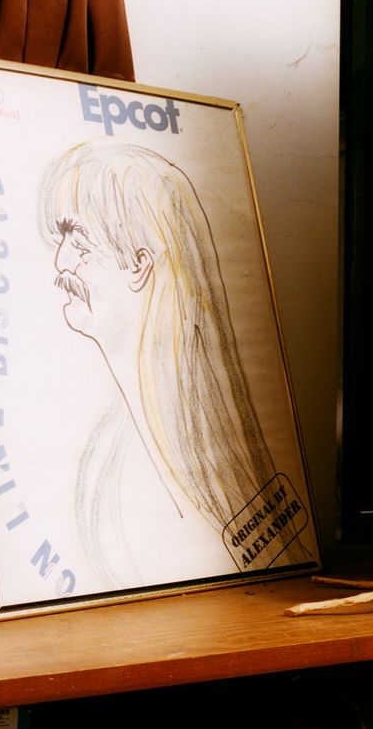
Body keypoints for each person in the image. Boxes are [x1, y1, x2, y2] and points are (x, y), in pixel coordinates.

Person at [40, 137, 308, 587]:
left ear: (140, 264)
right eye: (61, 239)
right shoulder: (107, 456)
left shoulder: (171, 475)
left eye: (80, 243)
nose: (60, 260)